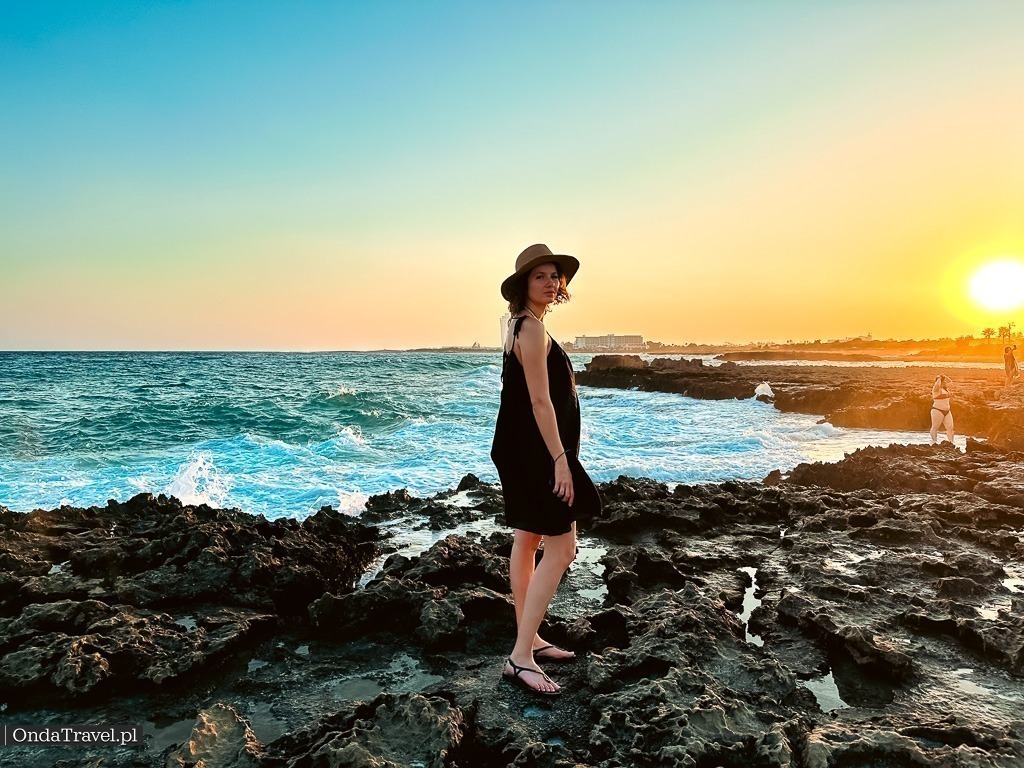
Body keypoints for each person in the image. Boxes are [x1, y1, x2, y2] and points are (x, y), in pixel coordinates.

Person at [491, 243, 603, 697]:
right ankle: (520, 659)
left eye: (555, 276)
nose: (552, 283)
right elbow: (540, 400)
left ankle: (529, 636)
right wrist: (561, 460)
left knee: (528, 539)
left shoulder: (516, 325)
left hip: (517, 447)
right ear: (524, 284)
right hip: (538, 452)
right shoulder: (531, 330)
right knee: (563, 549)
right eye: (540, 276)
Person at [929, 374, 954, 445]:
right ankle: (934, 442)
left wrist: (945, 376)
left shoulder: (945, 389)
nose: (944, 382)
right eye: (943, 381)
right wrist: (939, 378)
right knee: (935, 427)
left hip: (947, 411)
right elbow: (937, 384)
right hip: (937, 410)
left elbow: (950, 382)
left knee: (950, 428)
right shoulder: (936, 389)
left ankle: (951, 442)